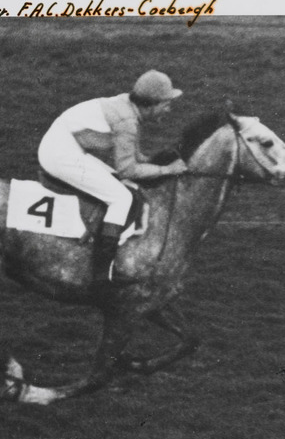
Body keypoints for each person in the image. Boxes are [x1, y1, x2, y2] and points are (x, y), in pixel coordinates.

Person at [37, 70, 190, 292]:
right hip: (60, 154)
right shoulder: (127, 121)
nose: (169, 109)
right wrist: (167, 169)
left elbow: (135, 156)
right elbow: (127, 169)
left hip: (66, 146)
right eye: (166, 104)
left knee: (123, 187)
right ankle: (101, 273)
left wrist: (158, 163)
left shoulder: (128, 106)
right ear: (152, 104)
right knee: (121, 198)